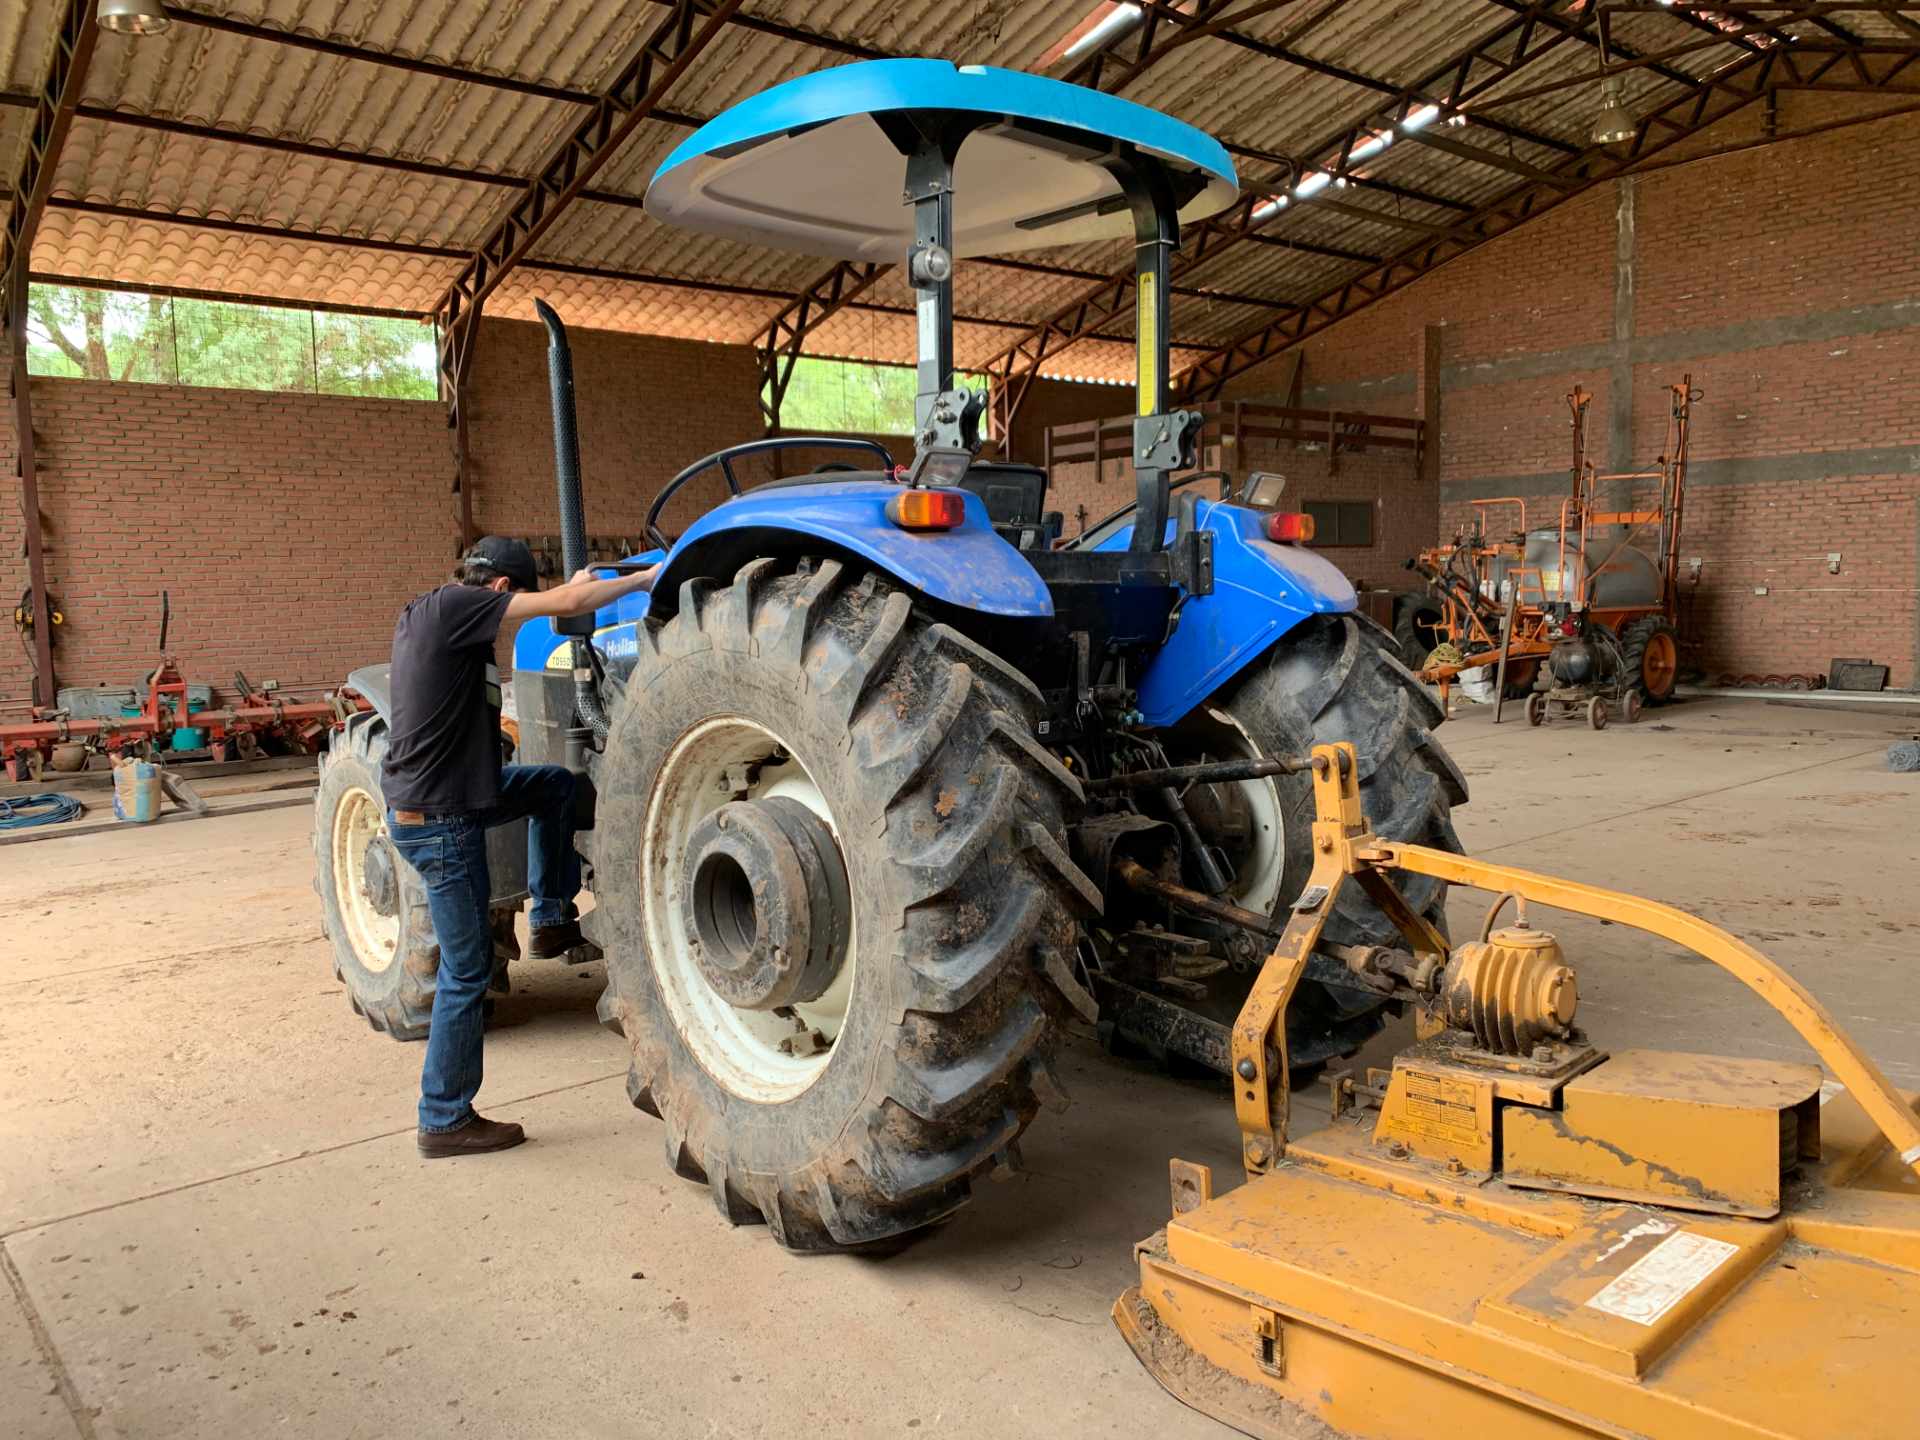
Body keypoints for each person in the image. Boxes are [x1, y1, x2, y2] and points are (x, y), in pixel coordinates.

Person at [381, 535, 656, 1158]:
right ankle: (444, 1118)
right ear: (501, 589)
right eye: (519, 599)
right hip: (442, 821)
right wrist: (644, 580)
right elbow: (561, 603)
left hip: (458, 793)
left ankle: (552, 918)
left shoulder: (438, 617)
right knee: (466, 971)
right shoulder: (458, 607)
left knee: (553, 785)